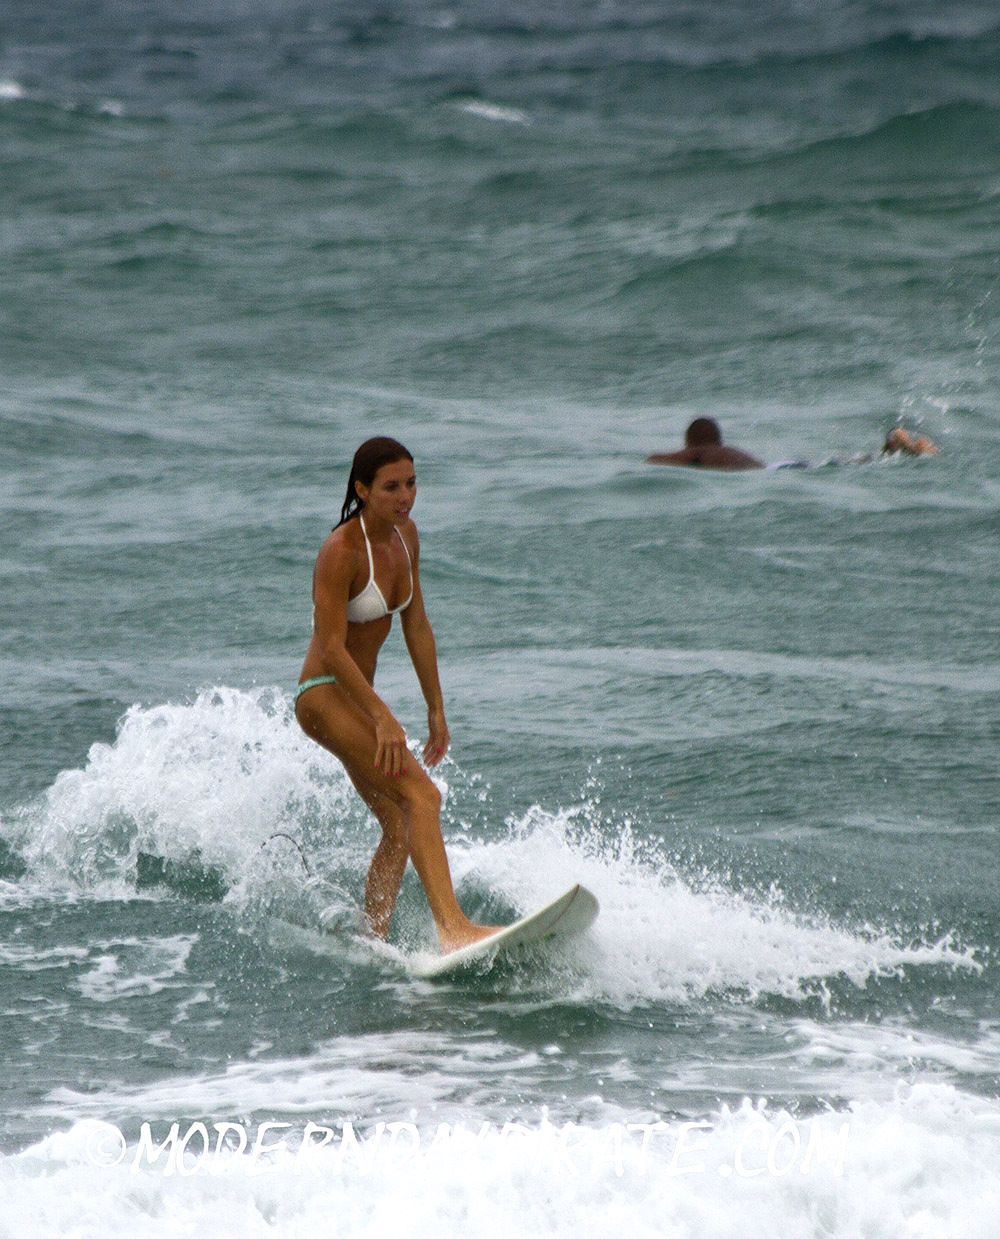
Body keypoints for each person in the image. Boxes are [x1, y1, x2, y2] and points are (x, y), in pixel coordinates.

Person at [294, 437, 499, 953]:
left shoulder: (407, 537)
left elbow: (417, 624)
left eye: (411, 483)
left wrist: (435, 706)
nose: (404, 495)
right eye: (390, 486)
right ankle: (453, 928)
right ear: (362, 490)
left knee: (400, 824)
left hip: (354, 700)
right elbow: (331, 647)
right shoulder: (339, 552)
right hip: (323, 696)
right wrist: (383, 717)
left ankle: (373, 940)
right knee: (422, 795)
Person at [645, 418, 764, 471]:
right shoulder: (739, 454)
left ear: (689, 440)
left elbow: (652, 460)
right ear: (718, 439)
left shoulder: (696, 453)